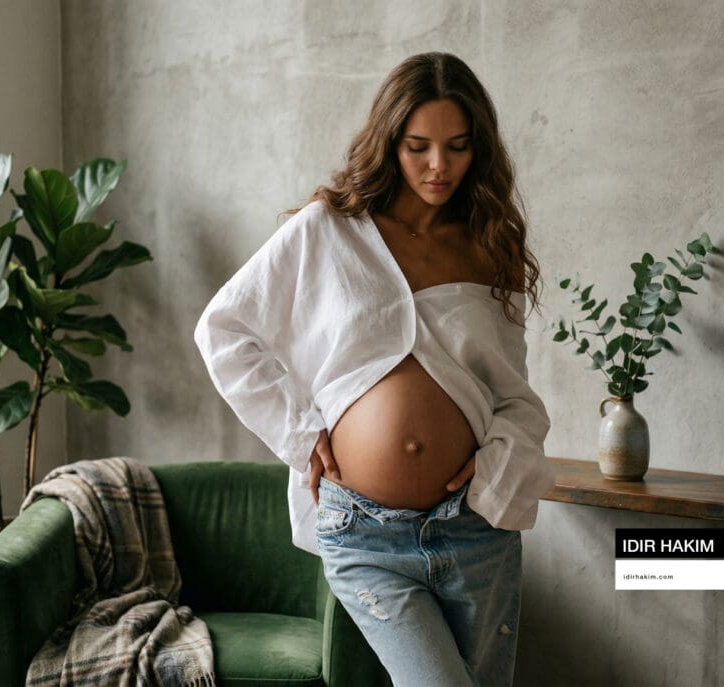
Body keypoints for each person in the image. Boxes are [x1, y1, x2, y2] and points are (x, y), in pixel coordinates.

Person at [194, 51, 554, 687]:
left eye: (457, 146)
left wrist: (501, 458)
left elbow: (515, 398)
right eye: (418, 146)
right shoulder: (329, 230)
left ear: (480, 150)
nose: (438, 166)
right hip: (364, 534)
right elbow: (223, 330)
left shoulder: (488, 243)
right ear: (389, 142)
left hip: (474, 528)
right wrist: (301, 435)